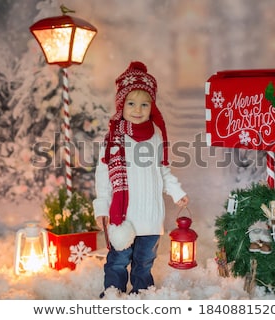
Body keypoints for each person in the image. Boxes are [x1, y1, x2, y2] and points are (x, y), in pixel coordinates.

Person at [93, 61, 189, 296]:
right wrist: (101, 208)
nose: (138, 109)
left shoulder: (156, 135)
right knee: (118, 259)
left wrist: (177, 192)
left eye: (144, 104)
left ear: (152, 107)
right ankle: (113, 291)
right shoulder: (114, 137)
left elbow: (162, 169)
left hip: (151, 215)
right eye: (131, 103)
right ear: (121, 105)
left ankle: (142, 293)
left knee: (144, 261)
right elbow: (104, 176)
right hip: (123, 216)